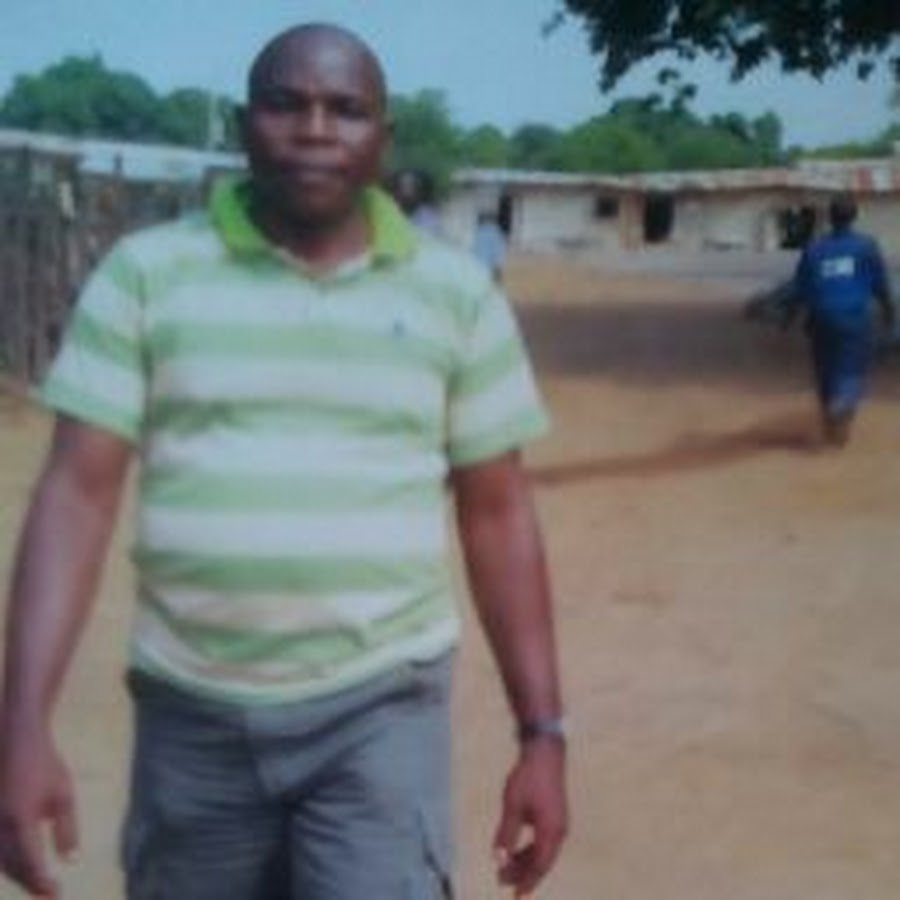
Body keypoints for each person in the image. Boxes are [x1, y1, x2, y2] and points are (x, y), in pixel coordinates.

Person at [0, 22, 567, 900]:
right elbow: (76, 494)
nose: (314, 130)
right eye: (285, 104)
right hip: (191, 712)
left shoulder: (455, 295)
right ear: (242, 125)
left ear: (383, 136)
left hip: (380, 708)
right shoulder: (146, 276)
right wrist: (21, 725)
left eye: (345, 109)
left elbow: (498, 516)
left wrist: (543, 734)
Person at [793, 193, 895, 446]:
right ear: (854, 217)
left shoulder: (814, 247)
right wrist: (890, 313)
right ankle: (842, 402)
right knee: (851, 368)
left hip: (820, 318)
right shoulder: (866, 246)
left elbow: (801, 287)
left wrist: (795, 315)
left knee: (825, 369)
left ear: (830, 217)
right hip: (854, 318)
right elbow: (881, 285)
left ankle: (833, 427)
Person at [387, 168, 444, 237]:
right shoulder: (387, 210)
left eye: (411, 187)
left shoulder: (427, 218)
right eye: (401, 186)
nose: (406, 192)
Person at [472, 210, 507, 284]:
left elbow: (474, 249)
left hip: (478, 265)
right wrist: (498, 265)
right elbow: (499, 250)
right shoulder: (495, 232)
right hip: (490, 266)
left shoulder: (478, 232)